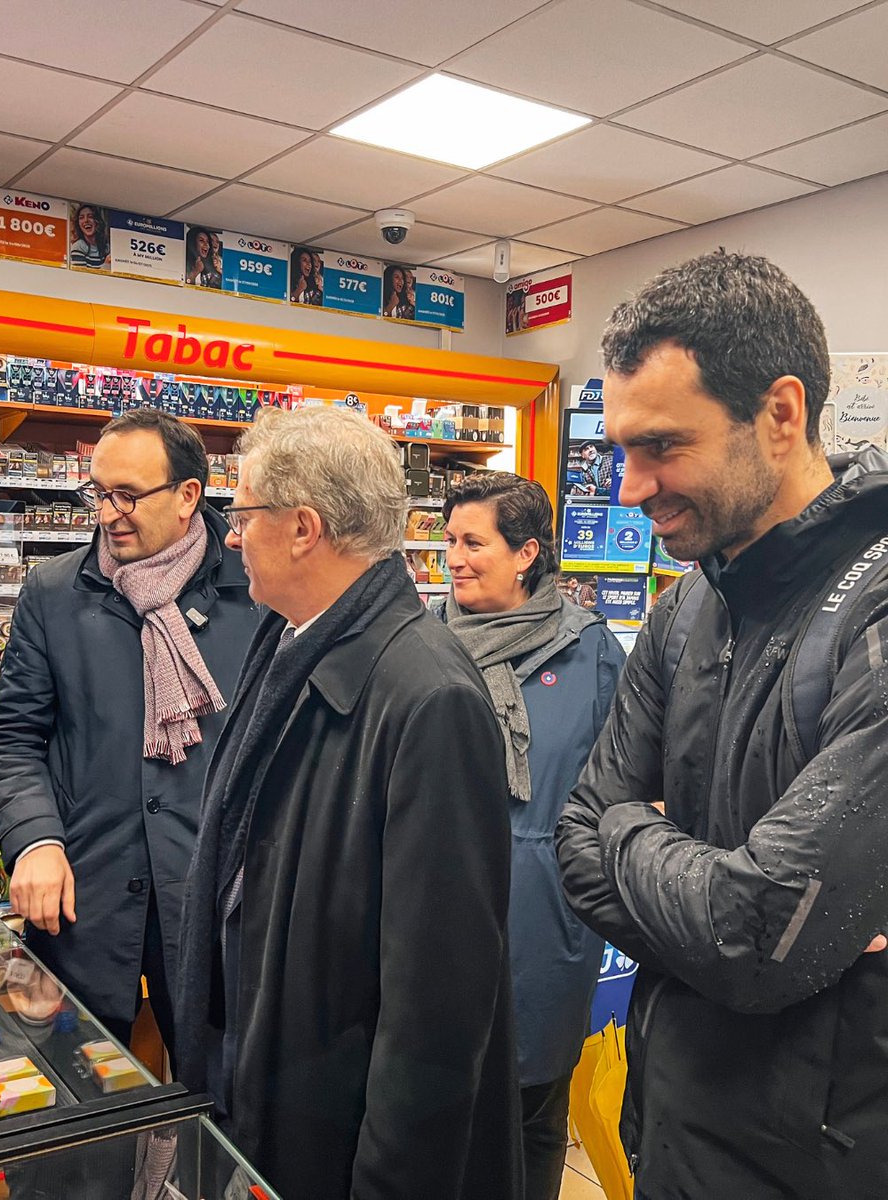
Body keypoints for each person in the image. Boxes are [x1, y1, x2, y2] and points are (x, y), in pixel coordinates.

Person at [556, 249, 888, 1200]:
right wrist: (652, 845)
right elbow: (575, 836)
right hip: (671, 1132)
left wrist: (632, 830)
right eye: (621, 450)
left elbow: (760, 934)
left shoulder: (875, 608)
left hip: (822, 1163)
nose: (629, 487)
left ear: (780, 415)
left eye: (661, 445)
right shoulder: (688, 605)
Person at [176, 406, 522, 1200]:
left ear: (304, 528)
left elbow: (437, 1008)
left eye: (246, 511)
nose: (232, 534)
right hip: (275, 1089)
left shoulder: (429, 698)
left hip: (338, 1135)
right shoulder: (290, 643)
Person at [0, 409, 256, 1060]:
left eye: (128, 495)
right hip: (83, 897)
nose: (108, 513)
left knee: (218, 1104)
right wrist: (34, 840)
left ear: (189, 495)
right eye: (98, 493)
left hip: (213, 901)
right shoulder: (54, 591)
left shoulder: (257, 591)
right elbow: (13, 736)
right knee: (67, 1107)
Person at [435, 471, 625, 1200]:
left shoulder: (592, 653)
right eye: (449, 540)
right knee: (441, 1098)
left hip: (545, 912)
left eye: (473, 542)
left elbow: (622, 782)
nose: (453, 557)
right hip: (439, 902)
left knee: (534, 1108)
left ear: (526, 553)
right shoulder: (424, 641)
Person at [69, 203, 110, 269]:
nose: (86, 220)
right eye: (81, 218)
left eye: (90, 216)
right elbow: (82, 277)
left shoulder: (106, 246)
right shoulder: (78, 247)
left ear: (97, 221)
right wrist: (106, 265)